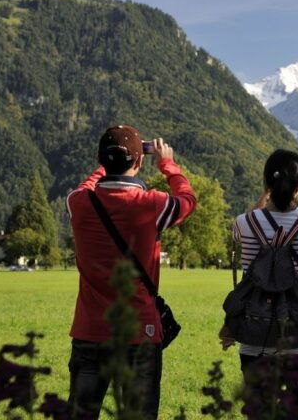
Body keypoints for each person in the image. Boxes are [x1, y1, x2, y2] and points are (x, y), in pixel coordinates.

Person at [66, 125, 197, 419]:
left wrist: (105, 166)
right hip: (140, 333)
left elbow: (87, 186)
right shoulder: (153, 204)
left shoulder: (79, 204)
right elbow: (188, 200)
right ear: (139, 162)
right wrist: (167, 163)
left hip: (90, 331)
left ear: (101, 159)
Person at [226, 149, 298, 420]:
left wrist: (263, 195)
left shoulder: (245, 221)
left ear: (266, 183)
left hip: (254, 329)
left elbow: (243, 227)